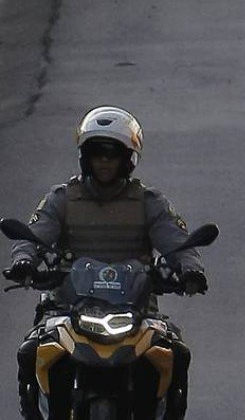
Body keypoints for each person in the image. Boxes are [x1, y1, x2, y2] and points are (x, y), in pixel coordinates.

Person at [6, 108, 207, 420]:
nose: (104, 161)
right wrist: (23, 261)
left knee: (175, 352)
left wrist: (190, 269)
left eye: (111, 155)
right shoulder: (62, 198)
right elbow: (33, 235)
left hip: (136, 308)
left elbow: (178, 242)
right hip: (68, 307)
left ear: (128, 158)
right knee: (31, 350)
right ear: (85, 156)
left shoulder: (149, 201)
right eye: (96, 153)